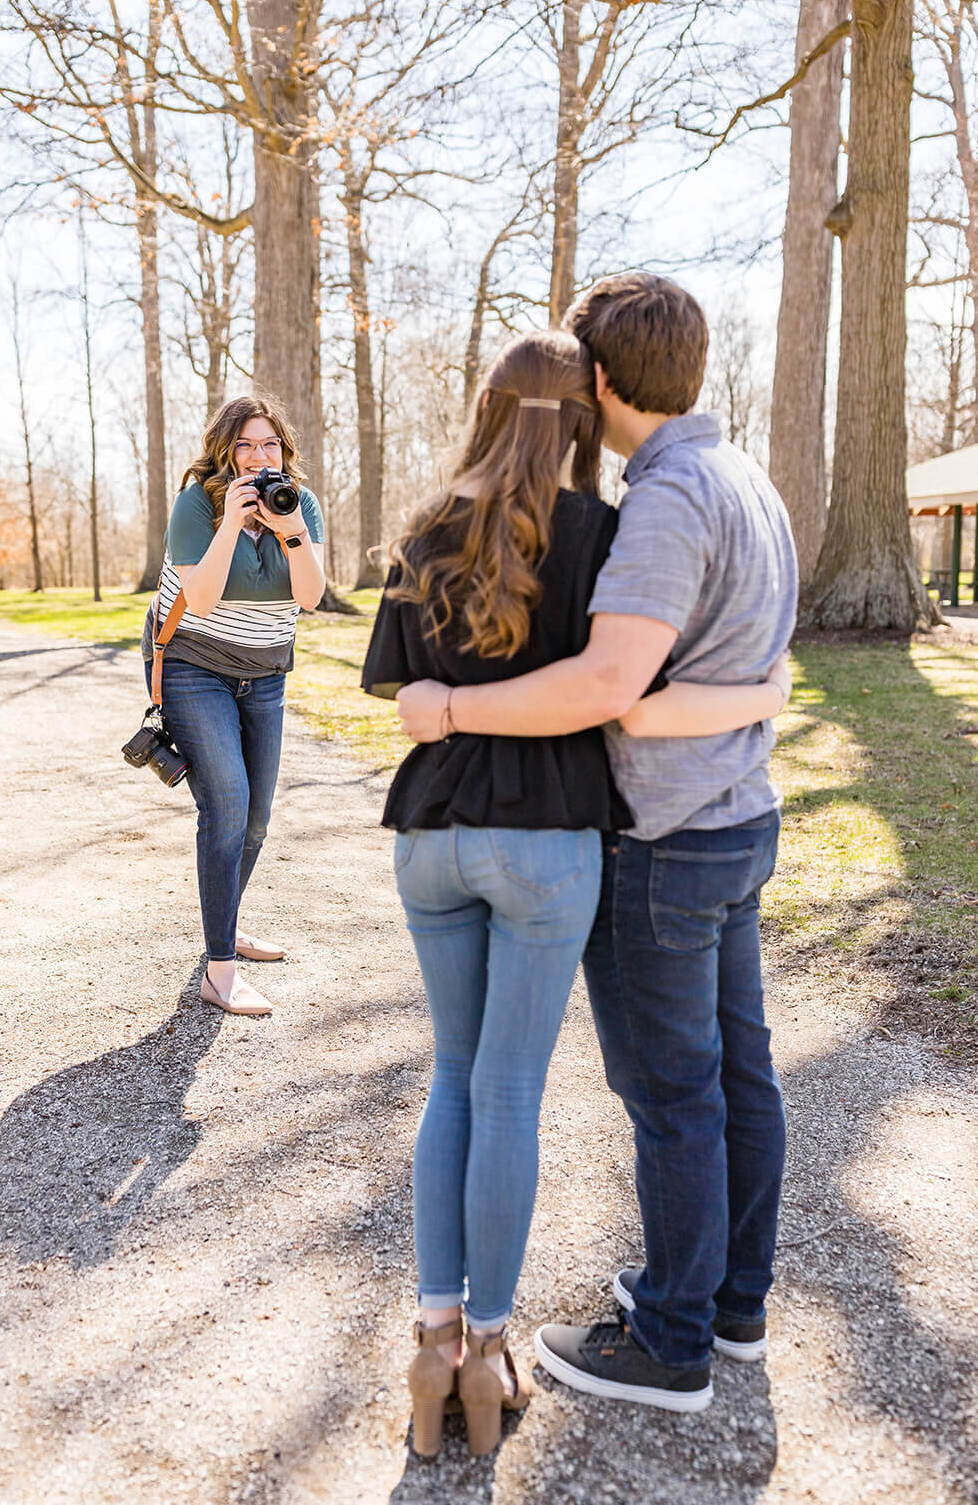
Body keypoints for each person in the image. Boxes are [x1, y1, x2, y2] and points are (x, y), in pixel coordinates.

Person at [362, 329, 791, 1454]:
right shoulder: (602, 529)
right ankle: (491, 1349)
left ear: (486, 407)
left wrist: (447, 703)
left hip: (430, 832)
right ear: (580, 410)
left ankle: (432, 1339)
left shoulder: (421, 527)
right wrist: (762, 687)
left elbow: (398, 685)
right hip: (549, 847)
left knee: (449, 1077)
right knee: (508, 1091)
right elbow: (614, 685)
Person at [141, 393, 325, 1015]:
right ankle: (219, 971)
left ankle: (226, 927)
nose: (257, 456)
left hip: (266, 673)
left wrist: (292, 532)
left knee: (257, 820)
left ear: (284, 450)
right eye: (244, 444)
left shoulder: (298, 506)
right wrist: (229, 524)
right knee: (227, 806)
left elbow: (311, 599)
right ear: (225, 450)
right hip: (195, 666)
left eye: (268, 443)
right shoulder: (197, 504)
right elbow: (203, 595)